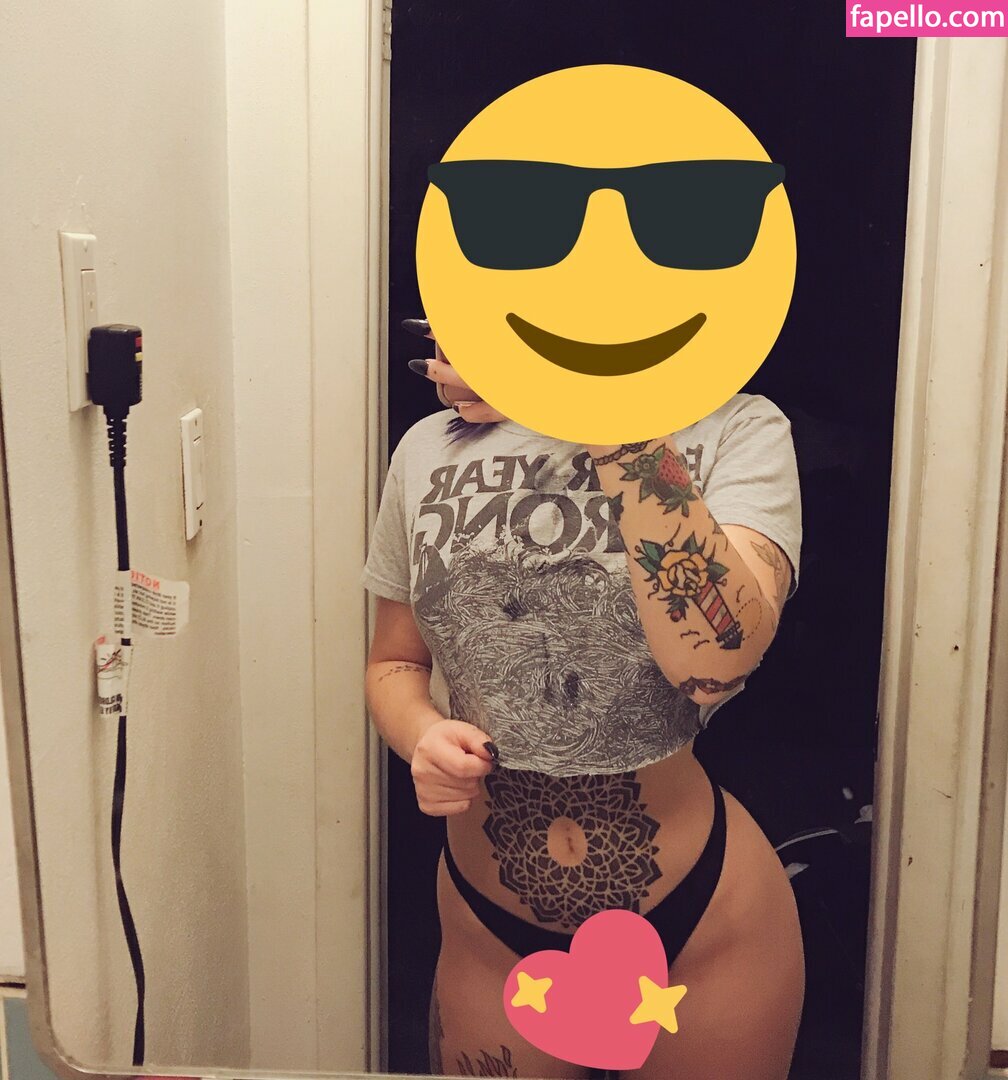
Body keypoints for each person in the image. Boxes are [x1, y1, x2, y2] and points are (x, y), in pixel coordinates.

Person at [362, 319, 804, 1079]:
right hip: (491, 931)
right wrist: (422, 735)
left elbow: (720, 658)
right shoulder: (428, 448)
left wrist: (597, 407)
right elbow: (393, 662)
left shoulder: (737, 427)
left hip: (702, 920)